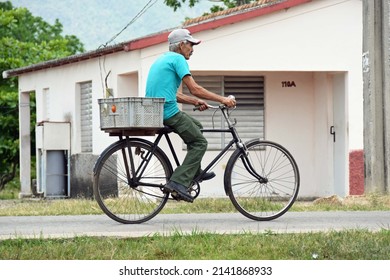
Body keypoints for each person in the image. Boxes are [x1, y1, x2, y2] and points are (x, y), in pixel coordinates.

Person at [145, 28, 236, 202]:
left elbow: (172, 93)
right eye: (191, 45)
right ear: (181, 45)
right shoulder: (179, 59)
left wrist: (194, 102)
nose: (193, 49)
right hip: (168, 112)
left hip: (157, 110)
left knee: (197, 127)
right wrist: (222, 99)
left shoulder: (163, 58)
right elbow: (195, 88)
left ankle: (195, 171)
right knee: (200, 143)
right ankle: (178, 183)